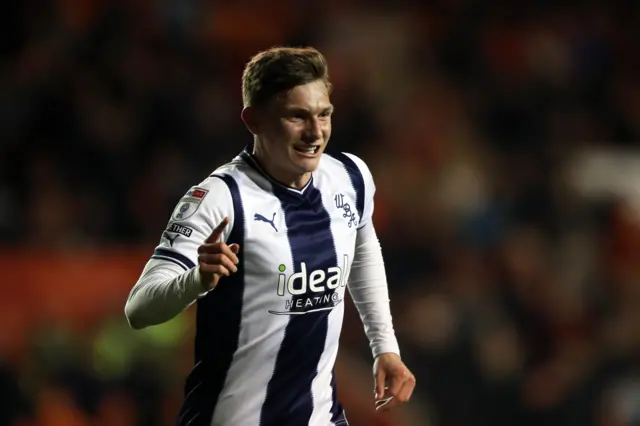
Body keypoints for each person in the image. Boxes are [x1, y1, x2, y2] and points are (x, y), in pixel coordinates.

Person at [124, 46, 415, 426]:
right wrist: (196, 280)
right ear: (254, 119)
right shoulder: (219, 198)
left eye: (324, 114)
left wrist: (385, 347)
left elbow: (362, 250)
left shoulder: (350, 177)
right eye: (297, 116)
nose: (315, 132)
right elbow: (138, 309)